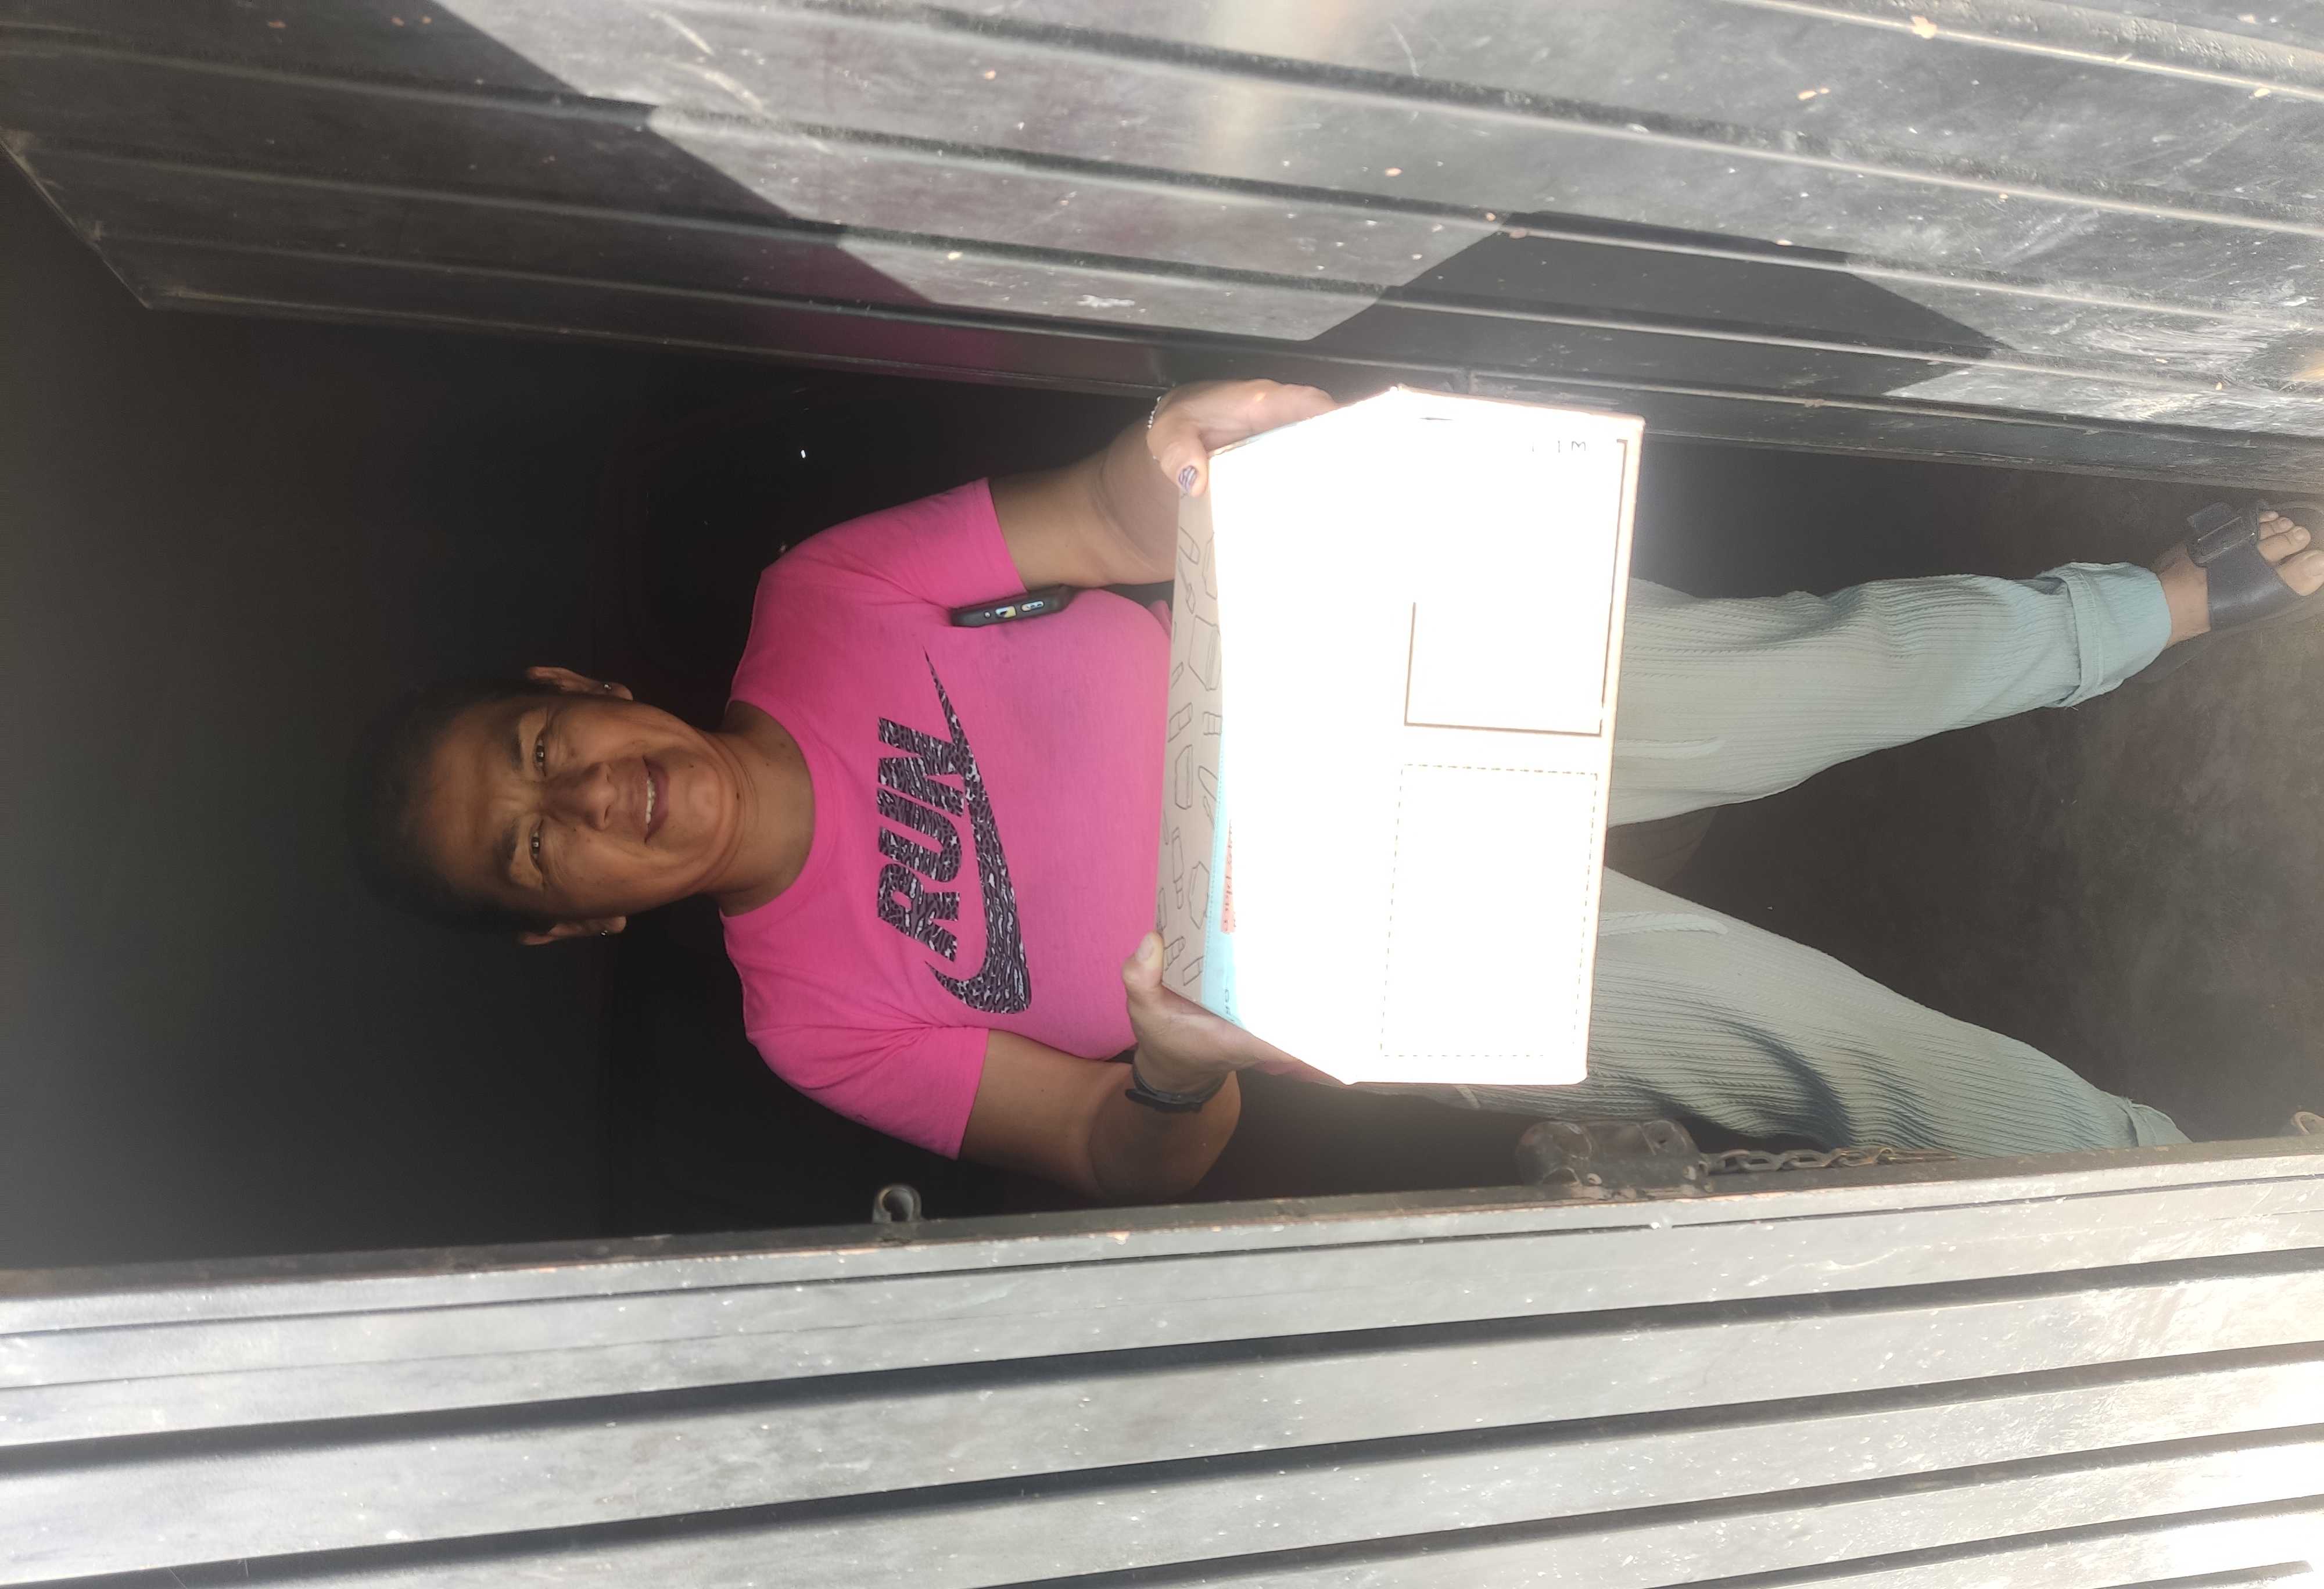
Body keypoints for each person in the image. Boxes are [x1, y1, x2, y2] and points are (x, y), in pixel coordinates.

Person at [350, 379, 2324, 1200]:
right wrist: (1170, 1066)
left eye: (541, 755)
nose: (587, 805)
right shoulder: (812, 1021)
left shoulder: (825, 599)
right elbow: (1128, 1157)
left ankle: (2152, 605)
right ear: (568, 924)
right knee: (1835, 1062)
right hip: (1374, 960)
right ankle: (2217, 1198)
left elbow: (1103, 519)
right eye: (535, 851)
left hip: (1376, 672)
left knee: (1822, 668)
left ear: (580, 693)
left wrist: (1171, 451)